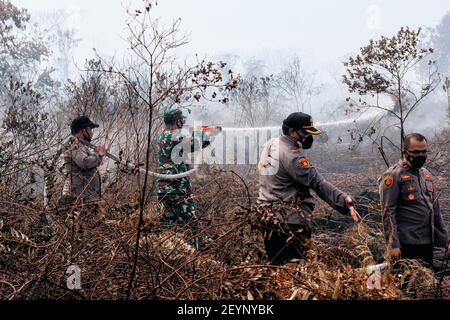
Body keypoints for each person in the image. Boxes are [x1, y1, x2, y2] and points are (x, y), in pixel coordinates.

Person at [257, 112, 361, 265]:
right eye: (305, 133)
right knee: (297, 274)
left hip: (267, 219)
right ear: (292, 132)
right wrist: (344, 200)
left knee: (279, 272)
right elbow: (317, 183)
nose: (308, 137)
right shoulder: (293, 157)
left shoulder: (270, 145)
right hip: (290, 224)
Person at [380, 133, 449, 268]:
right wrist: (393, 245)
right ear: (404, 152)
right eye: (416, 152)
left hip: (427, 242)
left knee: (426, 283)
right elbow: (388, 211)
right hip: (406, 244)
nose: (421, 155)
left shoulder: (426, 174)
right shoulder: (393, 175)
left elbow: (435, 210)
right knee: (408, 285)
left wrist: (445, 241)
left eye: (424, 151)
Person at [155, 108, 218, 248]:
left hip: (163, 189)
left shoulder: (161, 136)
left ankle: (167, 256)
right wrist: (203, 132)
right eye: (181, 121)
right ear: (177, 121)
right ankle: (193, 261)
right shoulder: (174, 137)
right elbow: (199, 143)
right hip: (177, 190)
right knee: (190, 226)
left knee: (168, 226)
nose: (183, 123)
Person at [61, 115, 107, 212]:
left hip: (83, 197)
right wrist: (99, 155)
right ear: (83, 131)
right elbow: (84, 162)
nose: (91, 132)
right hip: (77, 198)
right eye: (90, 129)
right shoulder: (74, 144)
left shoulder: (79, 145)